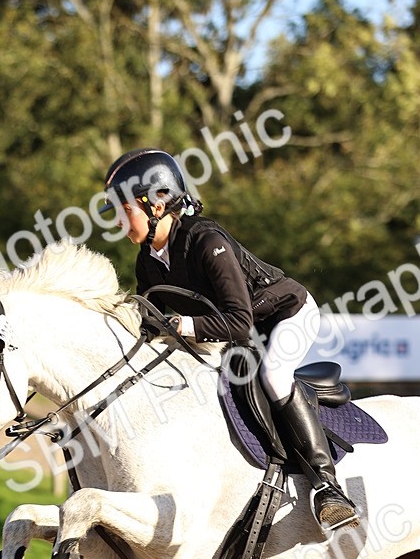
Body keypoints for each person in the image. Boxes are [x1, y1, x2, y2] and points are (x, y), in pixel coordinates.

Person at [101, 147, 358, 531]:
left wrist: (182, 326)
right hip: (238, 330)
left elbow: (238, 322)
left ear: (156, 204)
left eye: (125, 211)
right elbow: (152, 325)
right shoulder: (148, 261)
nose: (120, 222)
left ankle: (327, 486)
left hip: (285, 315)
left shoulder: (207, 242)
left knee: (272, 375)